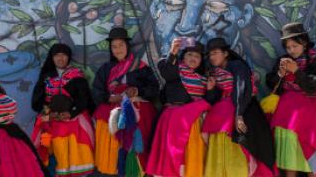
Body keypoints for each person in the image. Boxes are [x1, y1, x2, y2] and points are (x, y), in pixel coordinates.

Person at [265, 22, 316, 176]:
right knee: (289, 159)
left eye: (295, 46)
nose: (291, 50)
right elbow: (271, 83)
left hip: (311, 116)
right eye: (288, 47)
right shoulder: (283, 60)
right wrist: (280, 75)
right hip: (286, 117)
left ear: (304, 42)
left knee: (312, 156)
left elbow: (313, 86)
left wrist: (296, 71)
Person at [201, 37, 275, 176]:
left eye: (215, 53)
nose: (212, 57)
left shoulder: (237, 66)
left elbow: (242, 88)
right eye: (210, 54)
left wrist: (239, 115)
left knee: (241, 150)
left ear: (225, 53)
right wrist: (211, 89)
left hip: (243, 111)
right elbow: (213, 99)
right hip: (221, 118)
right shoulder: (215, 73)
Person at [91, 27, 159, 176]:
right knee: (105, 115)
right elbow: (96, 91)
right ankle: (112, 165)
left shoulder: (140, 67)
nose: (118, 49)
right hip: (112, 106)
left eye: (121, 45)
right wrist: (110, 98)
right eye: (114, 46)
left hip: (135, 106)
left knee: (137, 118)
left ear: (127, 46)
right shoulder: (106, 69)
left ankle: (135, 167)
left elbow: (154, 88)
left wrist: (137, 91)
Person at [145, 38, 216, 177]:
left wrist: (210, 89)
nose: (193, 58)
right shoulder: (175, 71)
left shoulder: (202, 80)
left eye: (197, 56)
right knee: (171, 156)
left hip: (191, 124)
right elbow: (166, 71)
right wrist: (173, 53)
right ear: (183, 57)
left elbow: (209, 101)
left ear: (201, 61)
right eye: (189, 54)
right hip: (172, 120)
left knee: (189, 156)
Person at [30, 43, 96, 177]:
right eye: (57, 55)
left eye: (64, 55)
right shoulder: (46, 77)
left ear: (69, 57)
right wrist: (49, 113)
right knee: (49, 144)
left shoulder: (76, 74)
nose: (60, 58)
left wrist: (70, 113)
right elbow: (36, 102)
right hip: (51, 116)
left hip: (74, 115)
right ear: (52, 58)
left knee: (76, 140)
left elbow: (84, 99)